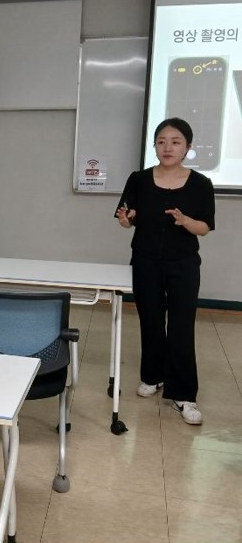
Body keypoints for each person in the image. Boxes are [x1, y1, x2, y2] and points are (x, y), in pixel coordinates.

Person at [116, 117, 215, 425]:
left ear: (188, 147)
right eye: (161, 142)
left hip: (183, 263)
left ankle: (184, 395)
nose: (167, 147)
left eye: (175, 142)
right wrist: (126, 220)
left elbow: (204, 227)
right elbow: (127, 218)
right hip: (145, 260)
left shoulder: (200, 184)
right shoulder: (139, 179)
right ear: (154, 146)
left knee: (182, 326)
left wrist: (185, 221)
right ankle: (153, 376)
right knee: (151, 321)